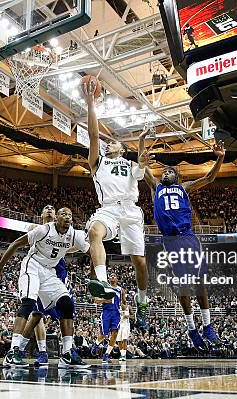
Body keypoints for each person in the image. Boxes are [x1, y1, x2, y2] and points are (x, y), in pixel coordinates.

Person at [82, 76, 151, 328]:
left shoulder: (131, 164)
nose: (109, 143)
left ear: (122, 149)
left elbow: (141, 169)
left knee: (140, 262)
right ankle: (102, 281)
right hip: (108, 209)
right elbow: (92, 134)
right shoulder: (98, 162)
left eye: (114, 143)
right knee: (93, 232)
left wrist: (142, 160)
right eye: (107, 142)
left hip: (131, 210)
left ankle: (142, 301)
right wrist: (91, 102)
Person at [143, 139, 225, 349]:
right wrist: (141, 155)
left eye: (170, 172)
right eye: (164, 172)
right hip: (170, 240)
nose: (166, 173)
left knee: (199, 282)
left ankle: (207, 326)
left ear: (177, 177)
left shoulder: (184, 188)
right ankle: (191, 328)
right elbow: (142, 168)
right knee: (183, 285)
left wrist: (221, 158)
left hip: (188, 236)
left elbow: (209, 177)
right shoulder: (156, 187)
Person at [0, 207, 90, 369]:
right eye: (63, 214)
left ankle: (66, 354)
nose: (67, 217)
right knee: (29, 303)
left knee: (67, 304)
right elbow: (16, 243)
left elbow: (92, 251)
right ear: (56, 218)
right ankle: (13, 351)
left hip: (50, 271)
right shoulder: (43, 230)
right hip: (33, 266)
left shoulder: (74, 234)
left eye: (70, 215)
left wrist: (96, 274)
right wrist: (0, 267)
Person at [17, 204, 73, 367]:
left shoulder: (64, 230)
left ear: (57, 215)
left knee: (67, 308)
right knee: (36, 313)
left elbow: (70, 246)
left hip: (58, 270)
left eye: (52, 208)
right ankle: (34, 351)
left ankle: (68, 351)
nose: (49, 209)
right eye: (46, 208)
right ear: (41, 214)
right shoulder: (36, 228)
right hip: (39, 269)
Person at [92, 275, 124, 364]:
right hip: (106, 312)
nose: (113, 277)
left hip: (116, 313)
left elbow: (124, 302)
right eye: (111, 276)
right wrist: (105, 300)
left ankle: (106, 355)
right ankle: (96, 344)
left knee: (115, 333)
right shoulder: (104, 287)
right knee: (104, 334)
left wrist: (125, 309)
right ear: (109, 279)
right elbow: (95, 300)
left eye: (114, 276)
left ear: (117, 279)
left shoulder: (121, 290)